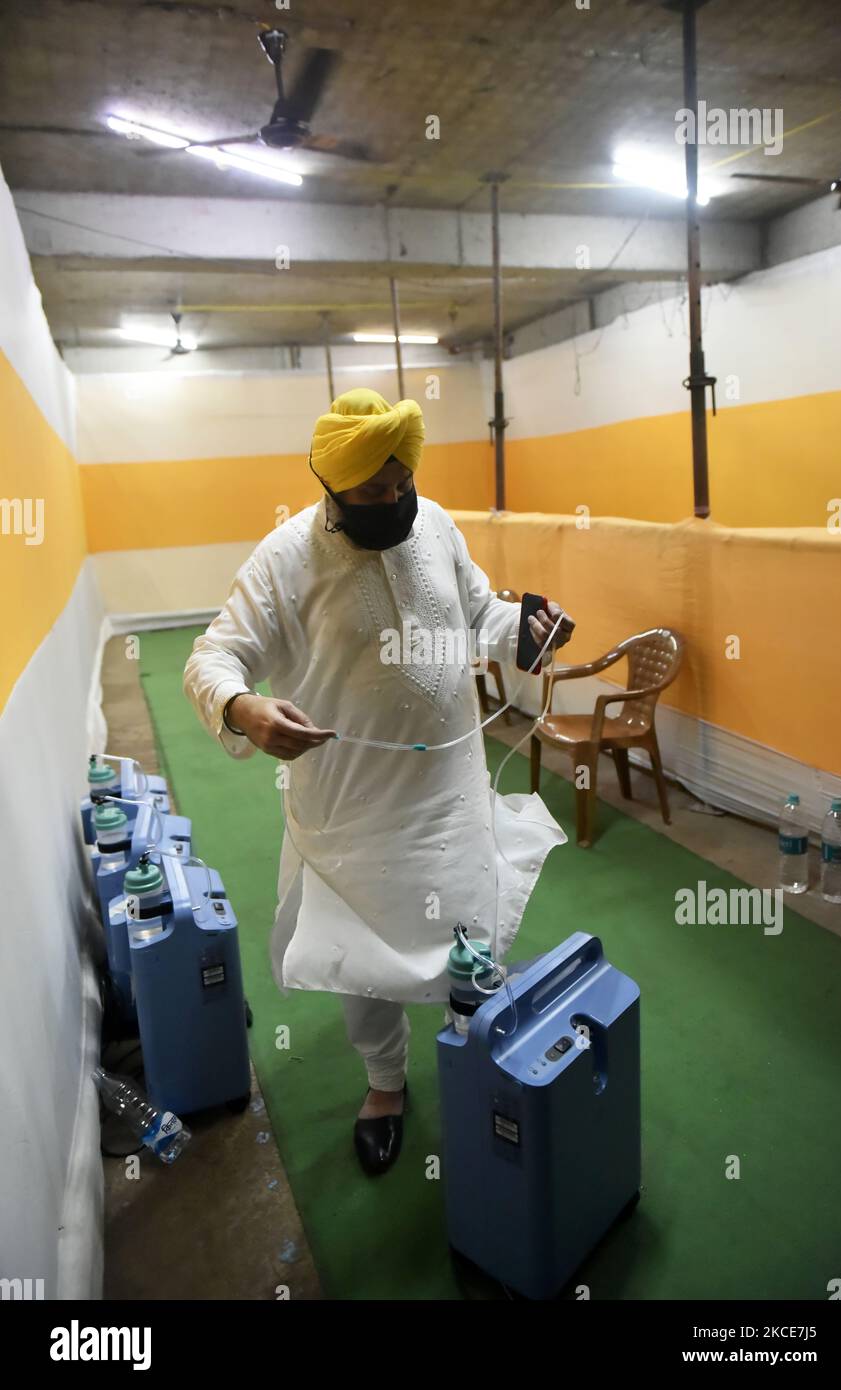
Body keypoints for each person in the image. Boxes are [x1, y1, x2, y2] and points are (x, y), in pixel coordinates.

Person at [183, 387, 575, 1175]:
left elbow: (480, 612)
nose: (393, 502)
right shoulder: (286, 558)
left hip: (452, 790)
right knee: (362, 954)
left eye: (402, 485)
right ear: (331, 487)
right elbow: (211, 658)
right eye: (372, 492)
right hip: (352, 804)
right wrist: (244, 706)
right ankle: (385, 1085)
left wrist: (523, 629)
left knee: (470, 928)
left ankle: (479, 1058)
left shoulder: (433, 523)